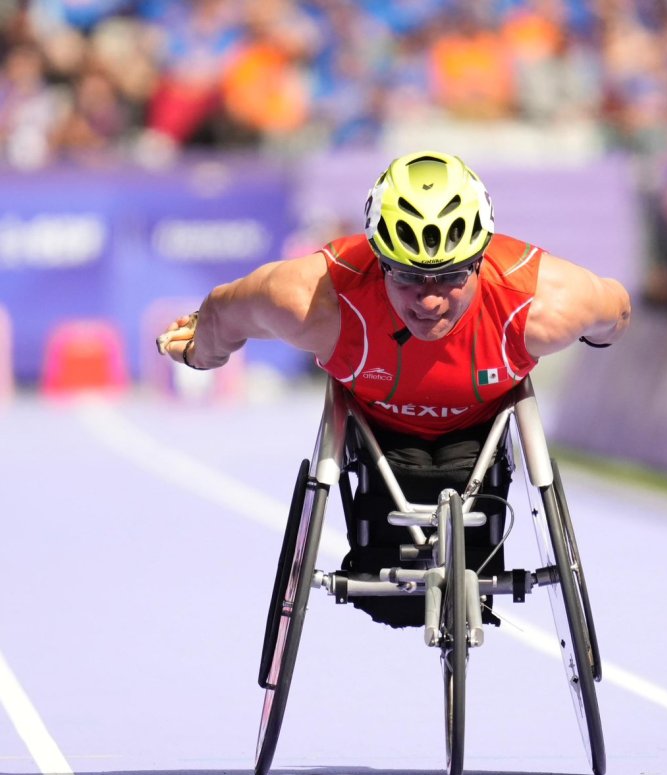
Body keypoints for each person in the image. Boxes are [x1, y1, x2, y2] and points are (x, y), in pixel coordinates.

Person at [156, 149, 631, 626]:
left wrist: (599, 331)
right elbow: (223, 310)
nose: (428, 300)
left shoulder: (543, 304)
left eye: (449, 277)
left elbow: (616, 308)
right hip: (376, 438)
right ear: (380, 262)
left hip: (482, 433)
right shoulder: (315, 301)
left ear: (480, 260)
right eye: (407, 277)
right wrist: (201, 353)